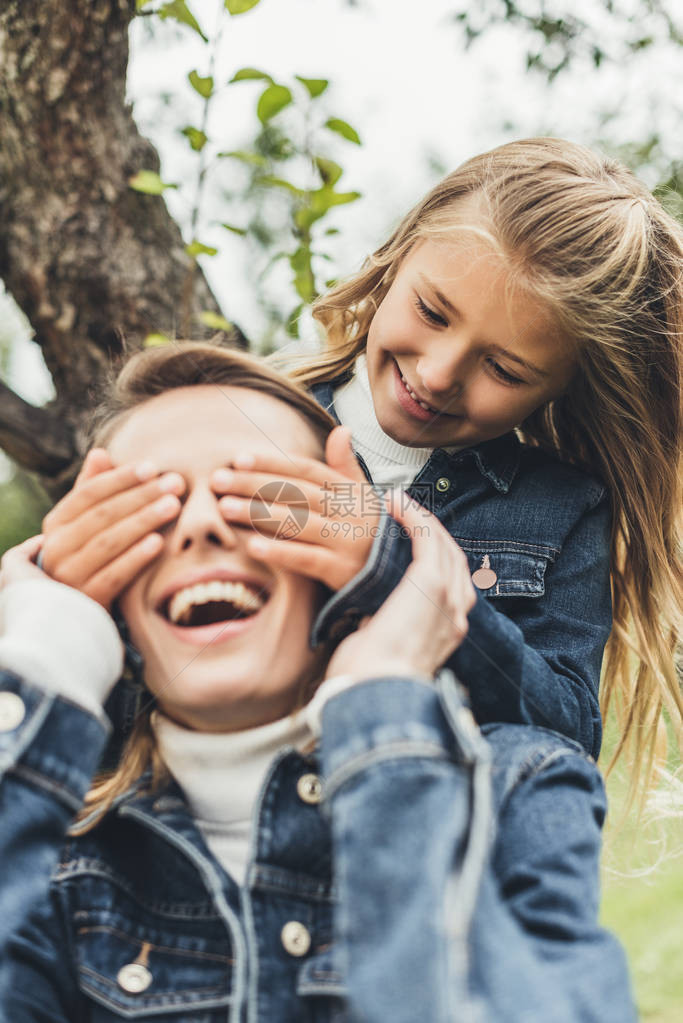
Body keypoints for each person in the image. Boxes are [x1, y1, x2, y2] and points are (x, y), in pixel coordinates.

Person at [0, 343, 635, 1021]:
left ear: (344, 563)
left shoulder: (517, 790)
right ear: (109, 597)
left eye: (255, 496)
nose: (203, 524)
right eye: (151, 508)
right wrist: (46, 650)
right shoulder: (50, 857)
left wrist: (381, 700)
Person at [38, 139, 683, 803]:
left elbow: (562, 742)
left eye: (504, 369)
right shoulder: (241, 429)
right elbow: (125, 691)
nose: (436, 373)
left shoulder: (559, 506)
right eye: (432, 311)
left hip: (406, 855)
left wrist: (391, 568)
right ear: (394, 259)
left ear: (560, 386)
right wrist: (55, 597)